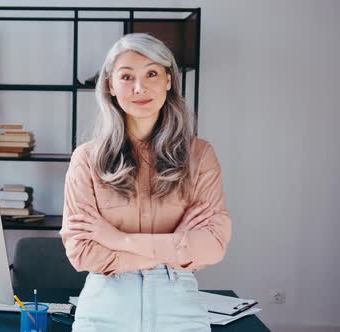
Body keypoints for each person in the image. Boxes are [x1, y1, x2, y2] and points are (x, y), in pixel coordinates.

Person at [60, 33, 232, 332]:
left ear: (168, 80)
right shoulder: (86, 159)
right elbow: (82, 252)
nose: (139, 88)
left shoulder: (199, 155)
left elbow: (212, 246)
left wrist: (118, 239)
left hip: (180, 306)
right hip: (104, 305)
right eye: (126, 76)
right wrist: (176, 246)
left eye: (151, 73)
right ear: (111, 85)